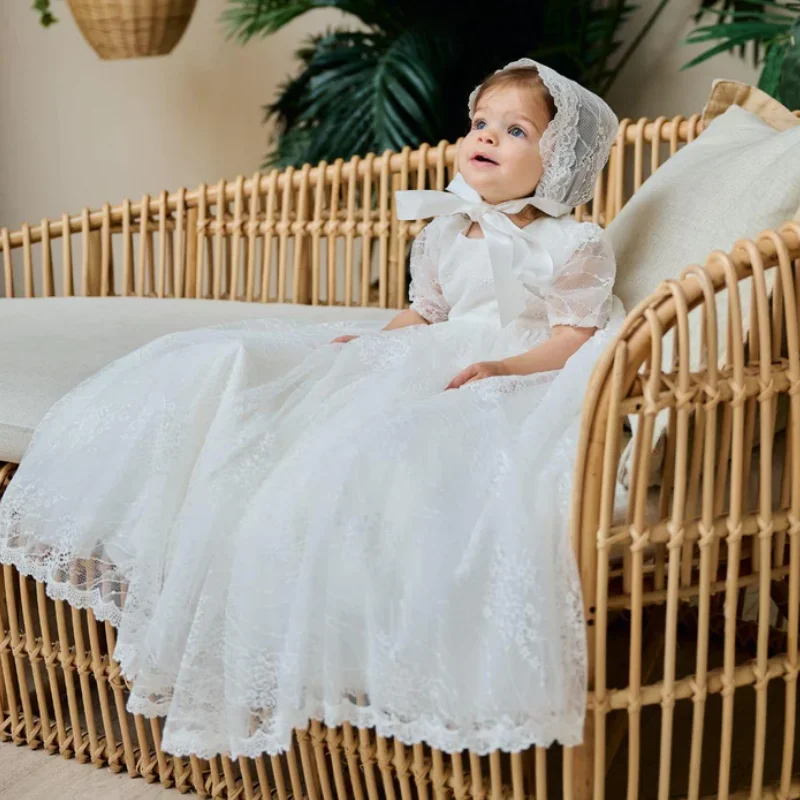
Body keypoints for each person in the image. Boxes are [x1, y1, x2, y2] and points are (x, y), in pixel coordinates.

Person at [0, 59, 622, 759]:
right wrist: (365, 349)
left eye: (516, 130)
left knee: (393, 459)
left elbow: (576, 336)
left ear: (560, 158)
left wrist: (501, 366)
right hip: (436, 353)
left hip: (512, 369)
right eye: (480, 123)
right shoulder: (447, 228)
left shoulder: (572, 244)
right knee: (278, 410)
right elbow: (425, 314)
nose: (486, 137)